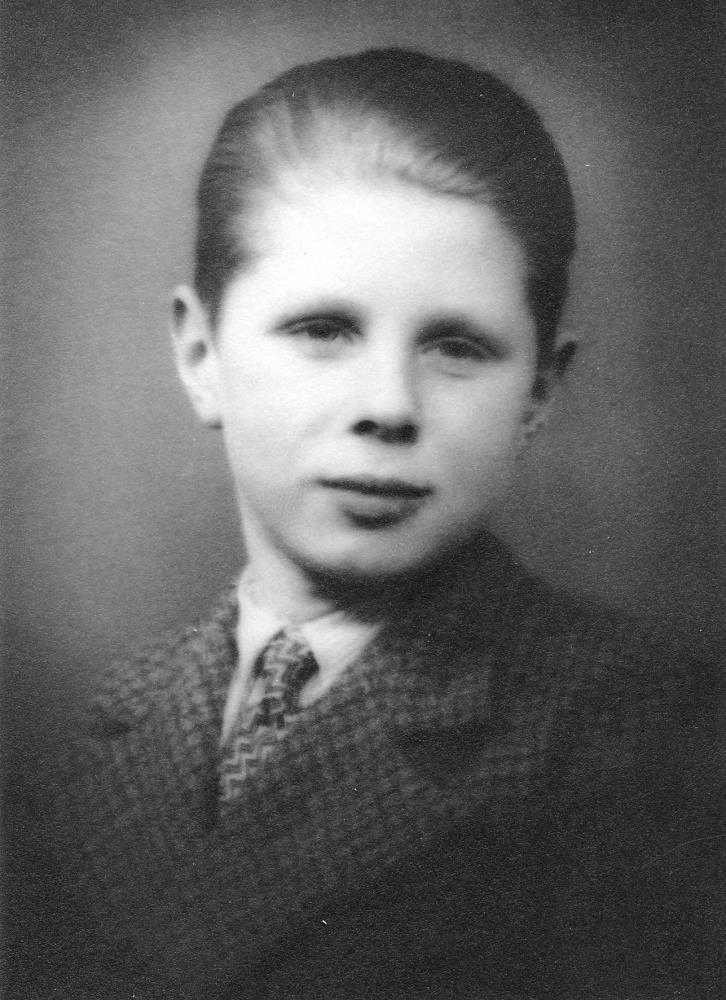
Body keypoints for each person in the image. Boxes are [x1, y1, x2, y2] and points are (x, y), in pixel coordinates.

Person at [20, 48, 722, 999]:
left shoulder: (640, 735)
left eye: (458, 346)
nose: (389, 405)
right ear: (200, 354)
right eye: (323, 330)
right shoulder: (97, 726)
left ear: (539, 391)